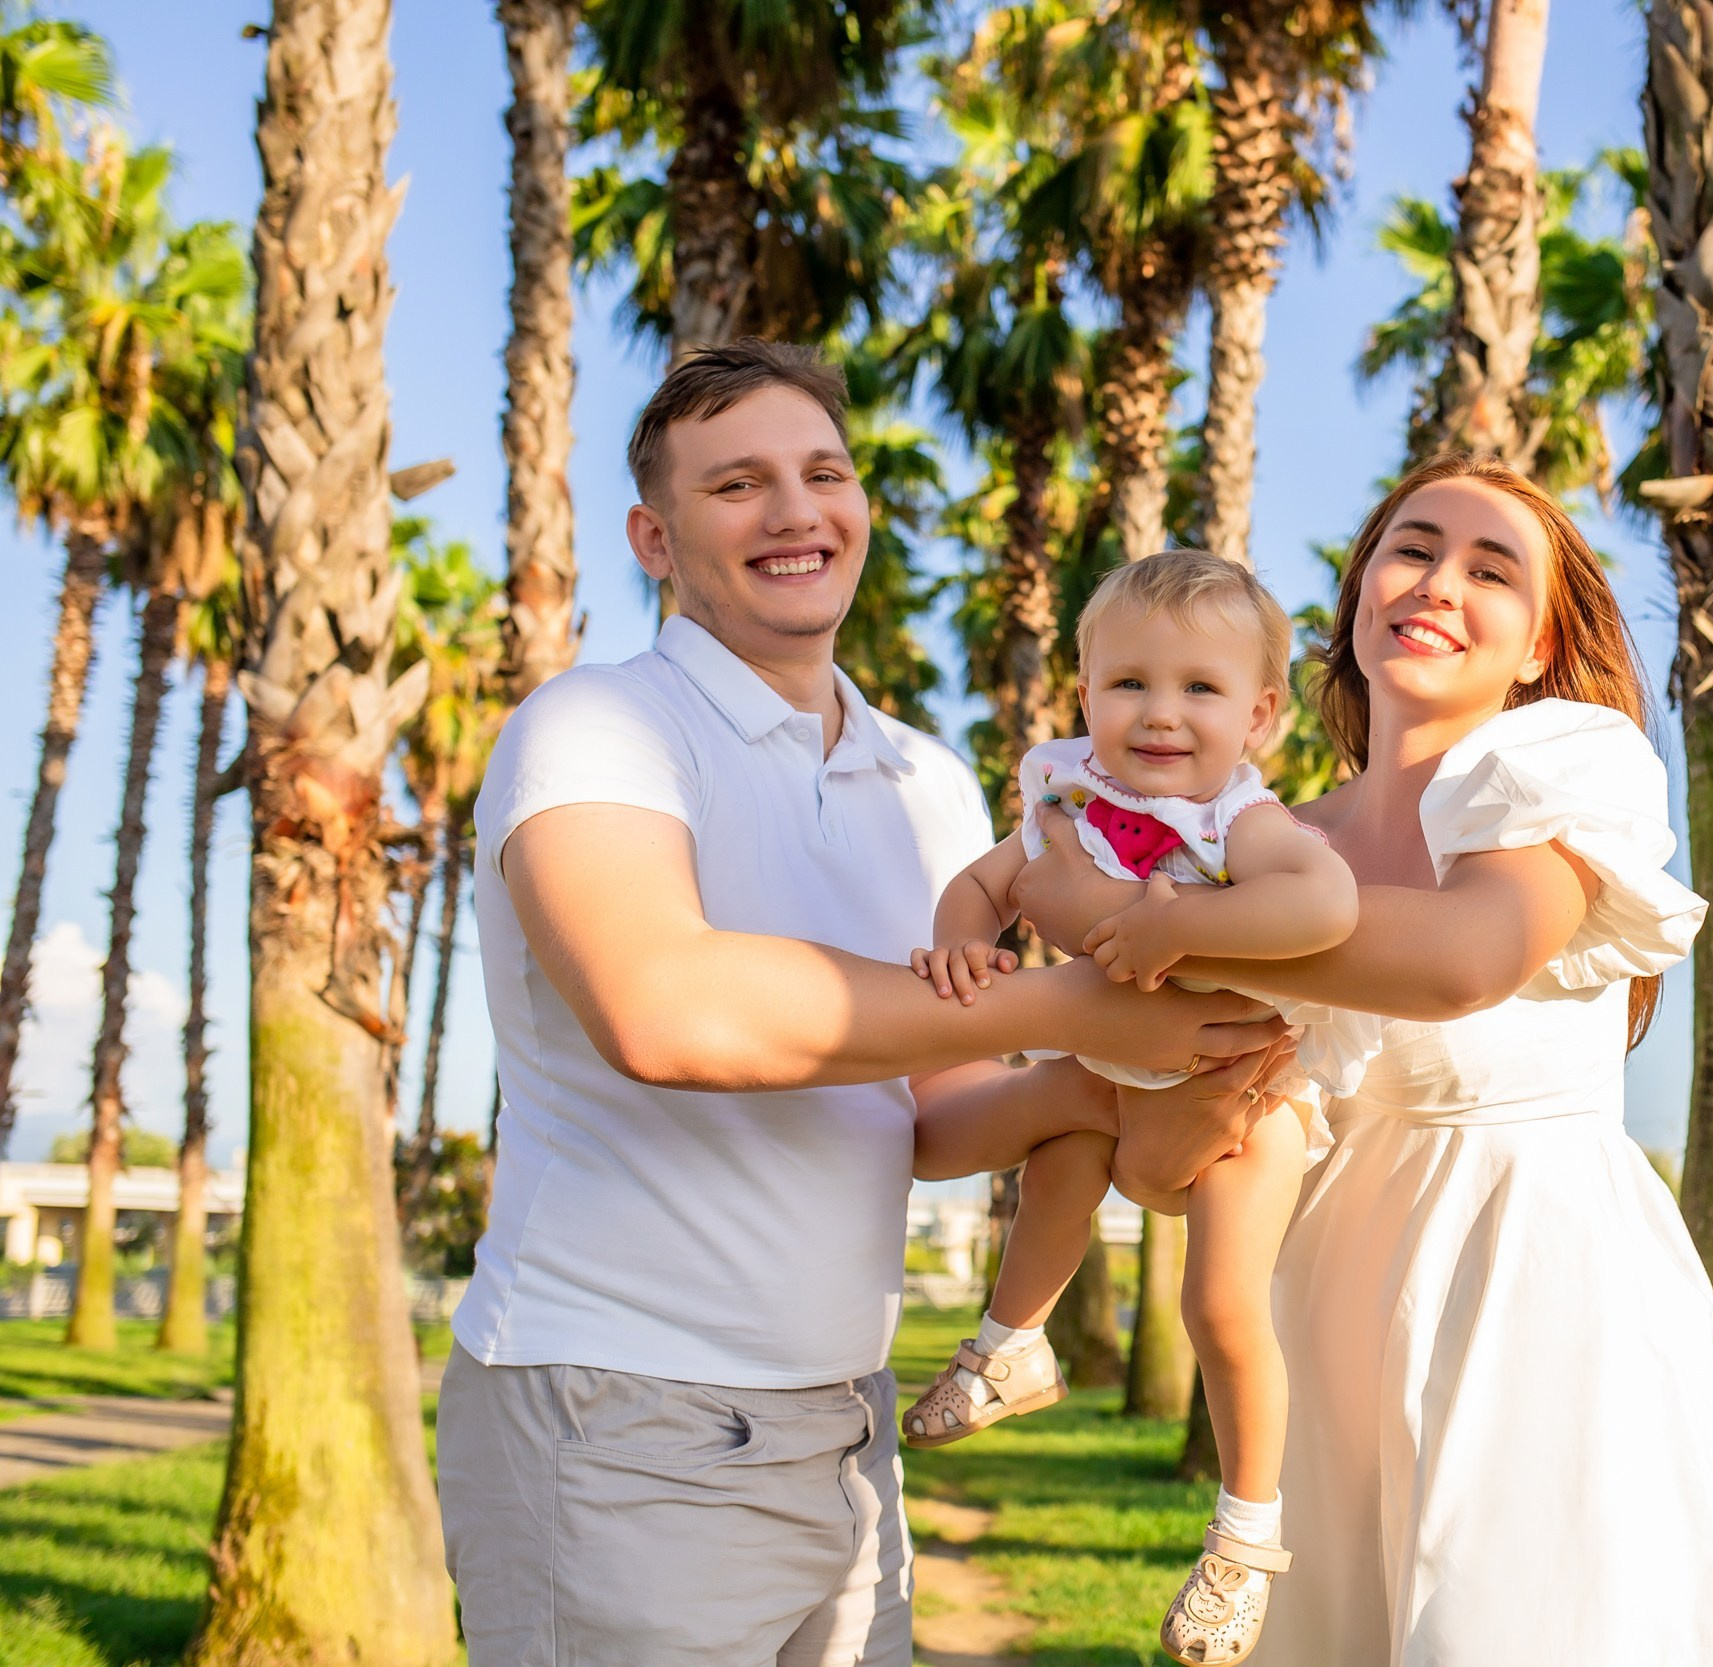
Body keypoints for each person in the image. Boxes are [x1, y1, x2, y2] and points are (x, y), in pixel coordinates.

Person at [435, 339, 1291, 1667]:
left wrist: (1130, 1083)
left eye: (823, 471)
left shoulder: (931, 783)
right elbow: (664, 1008)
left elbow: (930, 1119)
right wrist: (1074, 1009)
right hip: (618, 1418)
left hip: (846, 1429)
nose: (794, 509)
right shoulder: (594, 727)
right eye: (738, 484)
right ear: (653, 536)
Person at [1017, 455, 1713, 1665]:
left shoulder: (1566, 761)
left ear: (1537, 644)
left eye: (1491, 568)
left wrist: (1166, 932)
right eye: (1412, 548)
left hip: (1530, 1280)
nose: (1437, 582)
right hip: (1320, 1299)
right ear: (1360, 590)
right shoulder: (1266, 843)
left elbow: (1467, 955)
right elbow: (1163, 1158)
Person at [901, 550, 1374, 1665]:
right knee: (1056, 1156)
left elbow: (1325, 901)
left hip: (1246, 1096)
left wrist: (1180, 928)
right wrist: (967, 940)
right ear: (1085, 693)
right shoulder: (1069, 796)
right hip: (1117, 1076)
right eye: (1129, 685)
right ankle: (1011, 1344)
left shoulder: (1240, 822)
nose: (1161, 714)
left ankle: (1244, 1537)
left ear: (1259, 713)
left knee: (1220, 1304)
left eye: (1201, 690)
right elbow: (988, 882)